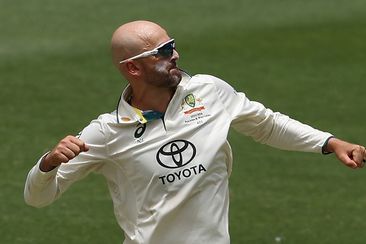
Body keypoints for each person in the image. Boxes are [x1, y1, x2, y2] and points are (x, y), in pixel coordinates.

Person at [24, 20, 366, 244]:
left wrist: (329, 142)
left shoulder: (209, 92)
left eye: (171, 45)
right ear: (132, 68)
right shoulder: (107, 132)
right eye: (161, 52)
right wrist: (48, 164)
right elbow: (37, 198)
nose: (174, 55)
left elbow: (267, 124)